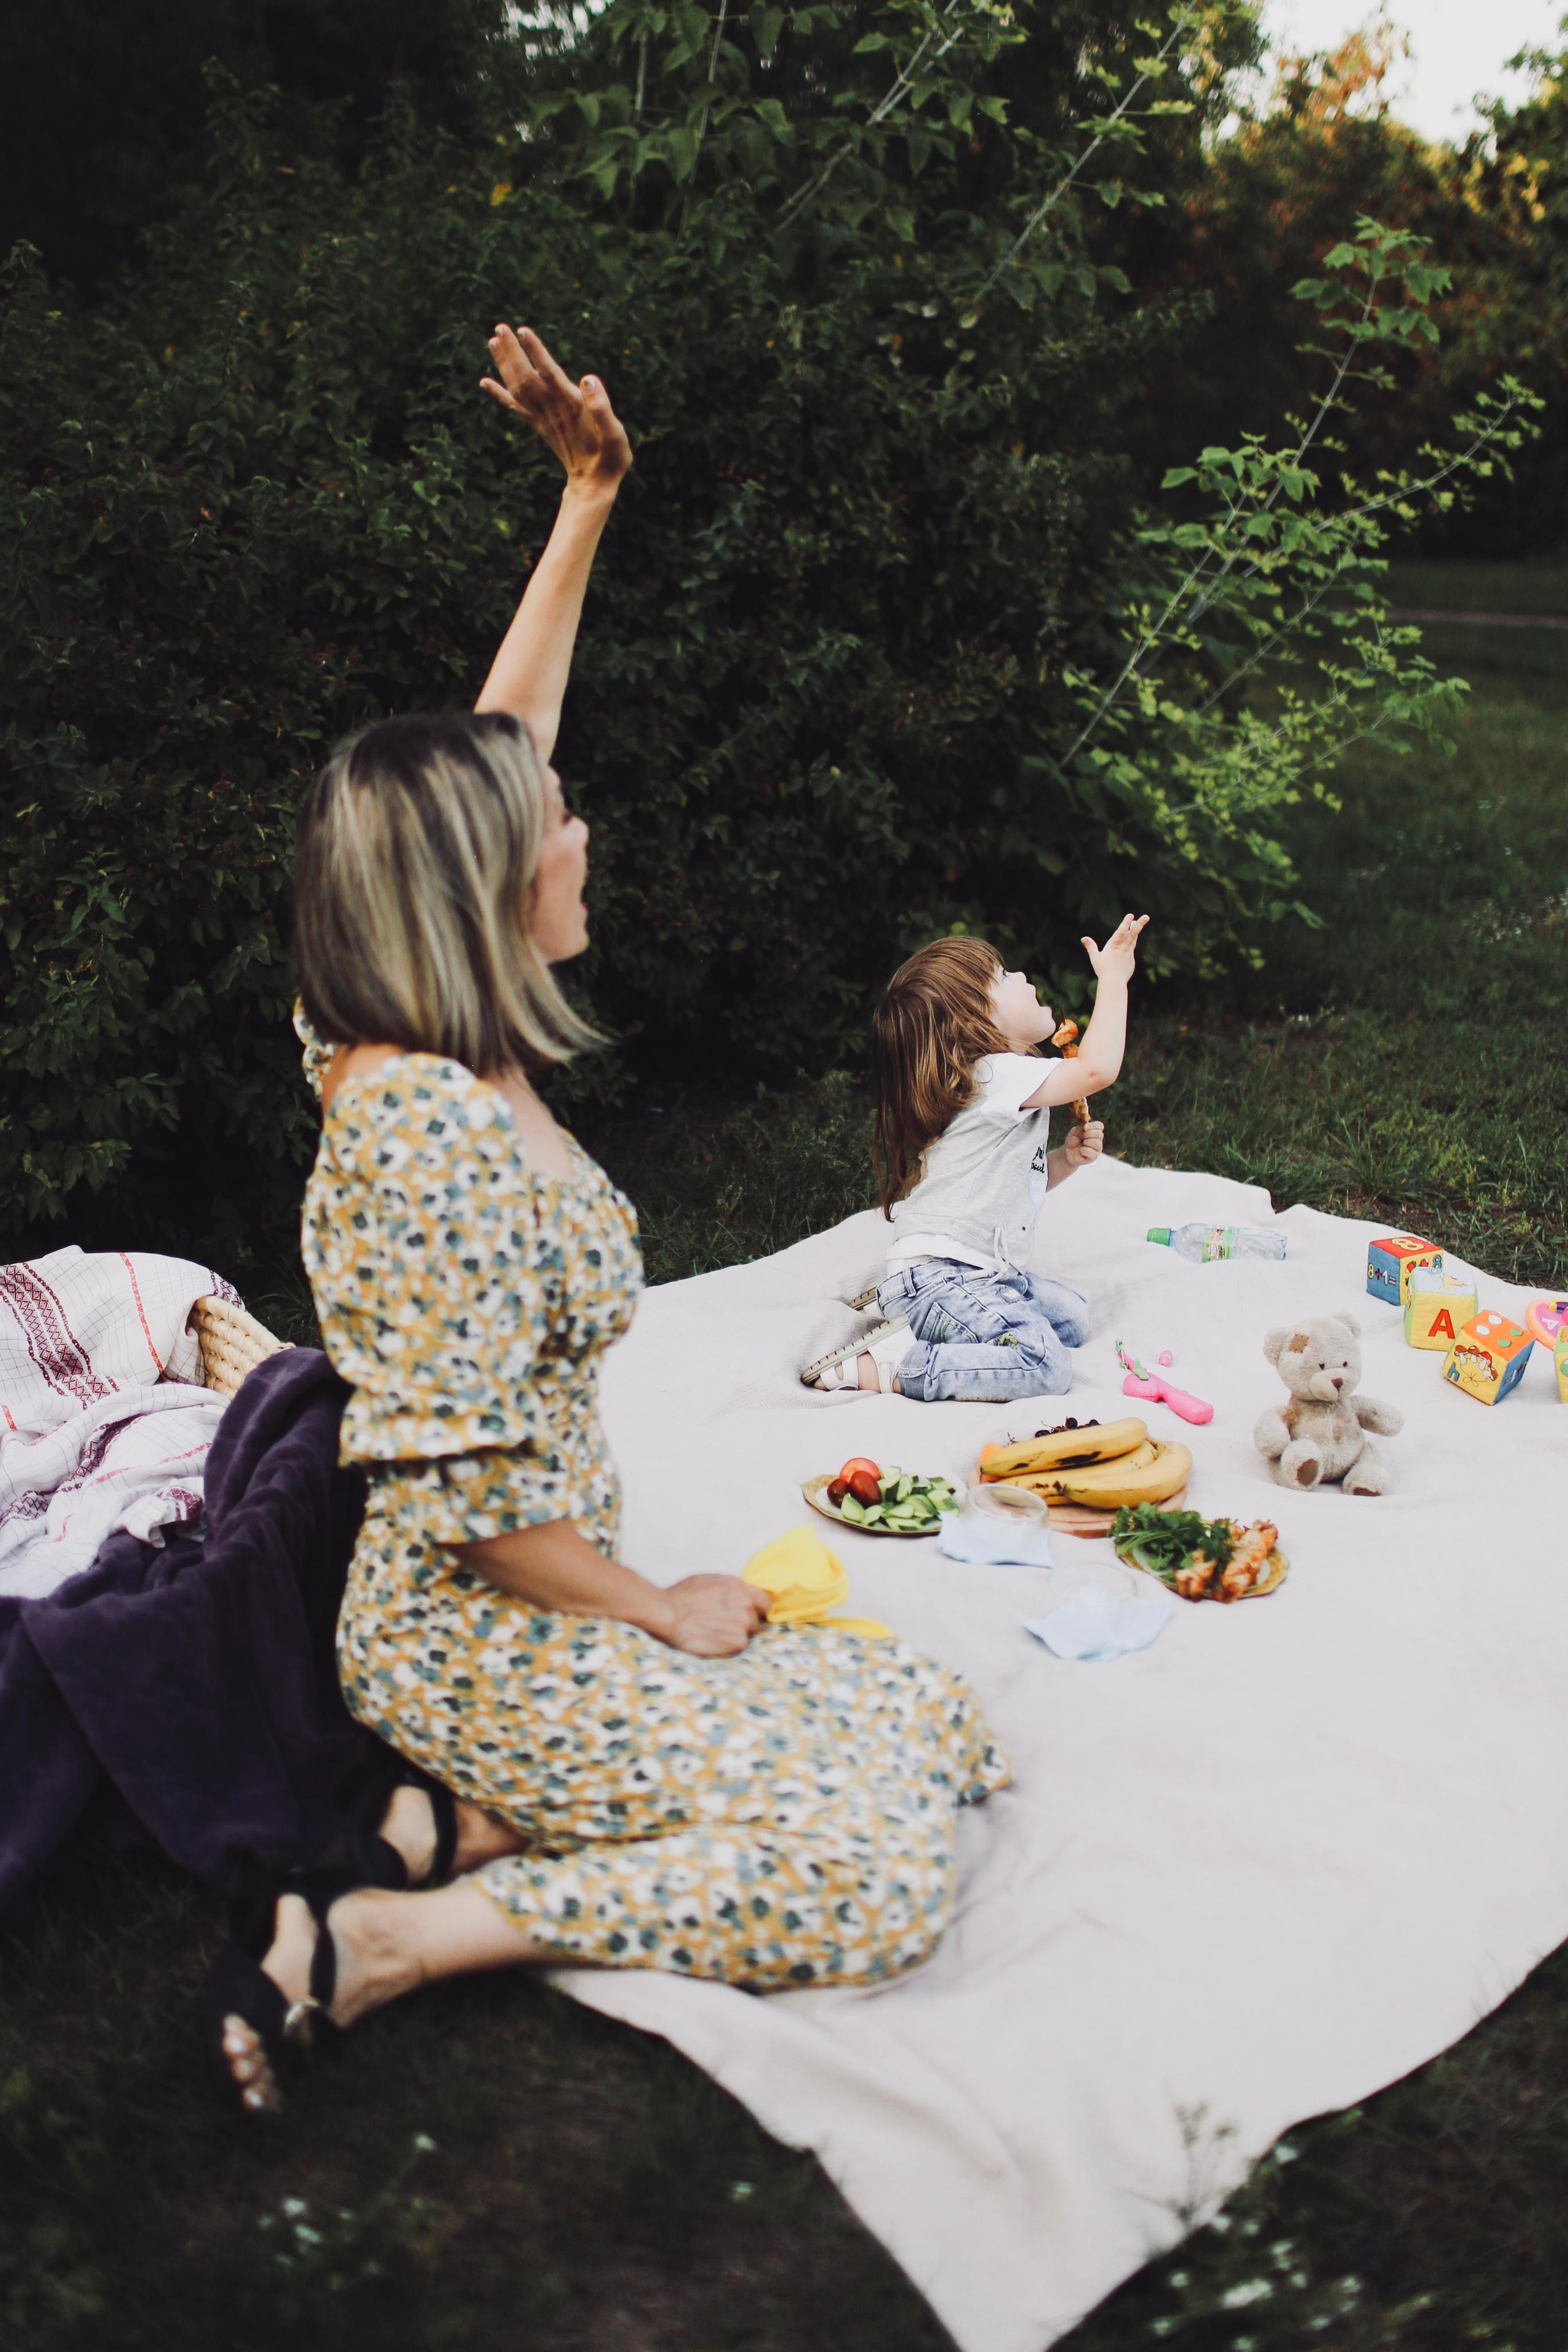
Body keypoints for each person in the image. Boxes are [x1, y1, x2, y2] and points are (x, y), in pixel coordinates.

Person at [213, 325, 1010, 2112]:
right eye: (557, 820)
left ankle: (456, 1822)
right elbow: (480, 1513)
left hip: (550, 1603)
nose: (578, 825)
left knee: (933, 1721)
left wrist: (587, 498)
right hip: (481, 1625)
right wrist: (660, 1610)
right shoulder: (414, 1133)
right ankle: (390, 1935)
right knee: (879, 1865)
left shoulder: (427, 1017)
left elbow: (495, 746)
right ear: (486, 885)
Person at [802, 919, 1148, 1401]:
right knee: (1045, 1363)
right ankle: (894, 1364)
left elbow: (1007, 1186)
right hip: (944, 1273)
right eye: (1004, 976)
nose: (1022, 977)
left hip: (978, 1274)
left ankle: (912, 1313)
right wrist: (1113, 980)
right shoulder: (995, 1074)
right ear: (975, 1018)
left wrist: (1064, 1162)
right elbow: (1095, 1070)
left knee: (1072, 1319)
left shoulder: (993, 1083)